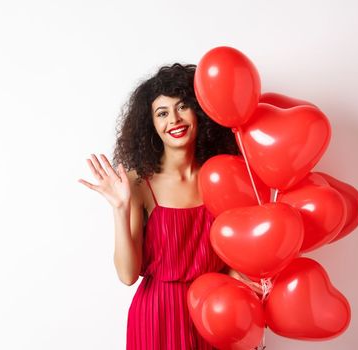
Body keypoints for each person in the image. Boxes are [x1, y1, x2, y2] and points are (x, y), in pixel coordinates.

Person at [78, 63, 261, 349]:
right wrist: (120, 208)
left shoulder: (224, 175)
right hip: (157, 317)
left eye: (183, 107)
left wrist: (241, 280)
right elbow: (127, 275)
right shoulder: (138, 184)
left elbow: (230, 253)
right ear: (151, 124)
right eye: (162, 113)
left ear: (199, 112)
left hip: (213, 311)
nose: (174, 120)